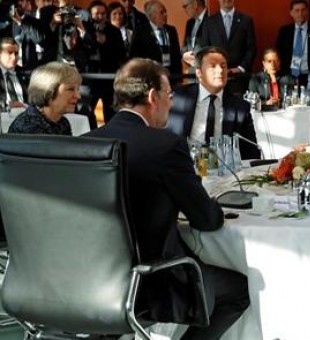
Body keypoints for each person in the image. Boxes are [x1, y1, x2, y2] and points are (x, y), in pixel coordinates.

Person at [84, 58, 249, 340]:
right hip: (153, 281)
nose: (171, 104)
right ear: (152, 97)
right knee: (240, 290)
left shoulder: (85, 143)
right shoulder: (165, 145)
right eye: (169, 95)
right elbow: (207, 221)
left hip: (89, 279)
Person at [168, 46, 260, 160]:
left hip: (225, 171)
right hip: (186, 168)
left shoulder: (240, 107)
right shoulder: (179, 98)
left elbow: (252, 153)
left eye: (223, 66)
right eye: (213, 66)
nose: (220, 70)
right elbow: (167, 139)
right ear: (199, 72)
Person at [196, 0, 255, 95]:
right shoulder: (208, 22)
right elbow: (205, 50)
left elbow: (251, 49)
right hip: (216, 78)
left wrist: (240, 68)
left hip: (239, 78)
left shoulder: (246, 20)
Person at [8, 61, 80, 135]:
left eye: (77, 89)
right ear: (49, 91)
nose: (78, 96)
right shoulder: (29, 126)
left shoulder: (62, 123)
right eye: (70, 89)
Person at [86, 0, 125, 123]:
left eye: (103, 13)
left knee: (111, 112)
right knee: (87, 111)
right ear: (90, 15)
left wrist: (105, 43)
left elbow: (120, 54)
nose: (100, 16)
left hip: (109, 78)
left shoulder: (114, 31)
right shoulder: (85, 30)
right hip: (89, 78)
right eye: (97, 13)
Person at [276, 0, 310, 87]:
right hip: (288, 76)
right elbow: (278, 53)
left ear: (308, 11)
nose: (300, 13)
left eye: (303, 10)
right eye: (297, 10)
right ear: (291, 13)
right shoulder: (284, 31)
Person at [129, 0, 182, 79]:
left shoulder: (172, 30)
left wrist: (179, 78)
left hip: (171, 77)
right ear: (152, 16)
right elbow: (135, 57)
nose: (166, 15)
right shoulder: (140, 32)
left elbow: (177, 56)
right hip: (150, 77)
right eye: (162, 12)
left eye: (165, 11)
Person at [0, 37, 29, 110]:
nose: (14, 57)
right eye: (9, 53)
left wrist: (25, 106)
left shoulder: (27, 73)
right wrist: (6, 107)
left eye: (16, 53)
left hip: (25, 115)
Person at [180, 0, 206, 76]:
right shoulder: (189, 23)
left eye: (185, 6)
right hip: (192, 70)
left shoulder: (211, 19)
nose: (185, 10)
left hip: (206, 70)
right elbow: (185, 45)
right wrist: (184, 55)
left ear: (195, 4)